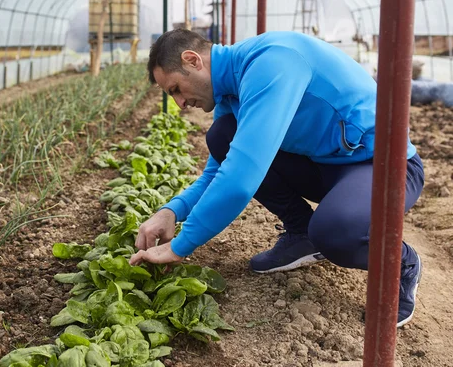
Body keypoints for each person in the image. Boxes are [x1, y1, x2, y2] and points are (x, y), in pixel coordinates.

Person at [129, 28, 425, 327]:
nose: (180, 104)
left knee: (335, 233)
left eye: (176, 89)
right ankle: (302, 235)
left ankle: (400, 263)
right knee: (223, 135)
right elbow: (219, 170)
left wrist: (181, 246)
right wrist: (171, 212)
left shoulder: (272, 62)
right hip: (327, 166)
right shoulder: (232, 92)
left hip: (386, 167)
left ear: (192, 60)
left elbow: (239, 180)